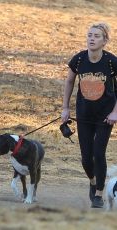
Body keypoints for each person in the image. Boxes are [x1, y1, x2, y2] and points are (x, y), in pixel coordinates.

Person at [61, 22, 117, 208]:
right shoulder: (79, 59)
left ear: (105, 41)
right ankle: (93, 181)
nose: (91, 39)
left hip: (105, 116)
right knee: (86, 158)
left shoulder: (111, 62)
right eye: (89, 35)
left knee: (98, 154)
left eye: (96, 36)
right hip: (84, 114)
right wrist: (65, 108)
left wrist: (115, 112)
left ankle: (99, 194)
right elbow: (69, 82)